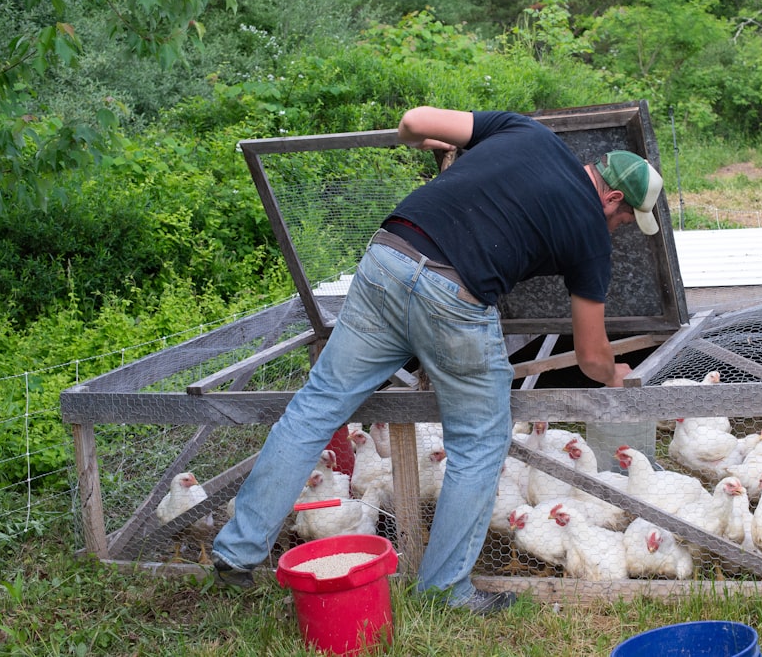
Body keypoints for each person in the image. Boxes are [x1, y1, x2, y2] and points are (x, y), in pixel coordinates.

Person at [211, 106, 664, 614]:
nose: (621, 228)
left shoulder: (525, 131)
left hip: (388, 256)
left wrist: (416, 141)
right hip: (455, 292)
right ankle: (444, 590)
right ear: (613, 196)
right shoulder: (590, 231)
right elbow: (591, 353)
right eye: (626, 218)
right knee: (477, 444)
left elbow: (415, 119)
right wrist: (617, 377)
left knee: (315, 408)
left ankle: (236, 551)